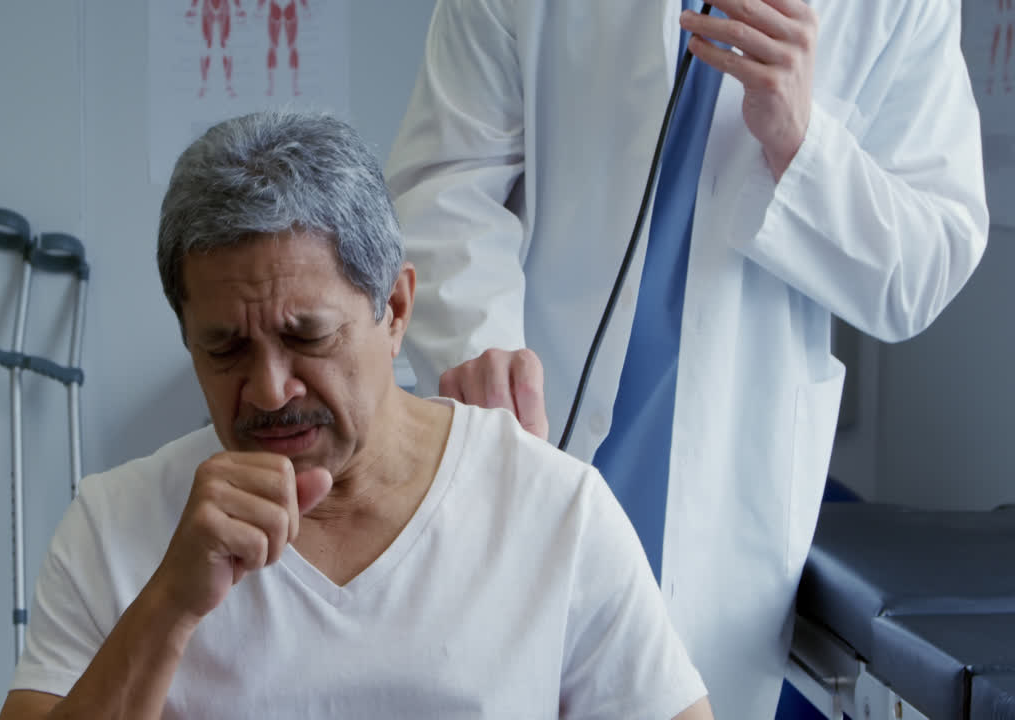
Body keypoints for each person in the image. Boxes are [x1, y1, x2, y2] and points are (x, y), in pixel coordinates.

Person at [0, 110, 715, 719]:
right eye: (225, 348)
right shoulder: (114, 526)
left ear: (395, 309)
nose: (271, 389)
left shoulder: (554, 510)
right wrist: (169, 608)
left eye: (308, 337)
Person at [384, 1, 990, 718]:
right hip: (527, 428)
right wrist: (476, 344)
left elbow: (925, 267)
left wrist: (802, 140)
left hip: (732, 472)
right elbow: (445, 181)